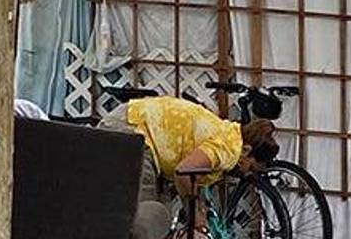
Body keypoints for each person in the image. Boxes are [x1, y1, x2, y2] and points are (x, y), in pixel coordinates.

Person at [98, 95, 279, 221]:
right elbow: (183, 173)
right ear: (246, 151)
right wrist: (193, 213)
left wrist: (197, 204)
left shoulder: (229, 132)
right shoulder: (228, 149)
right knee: (144, 220)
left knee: (161, 218)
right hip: (131, 130)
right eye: (251, 167)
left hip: (139, 128)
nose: (246, 173)